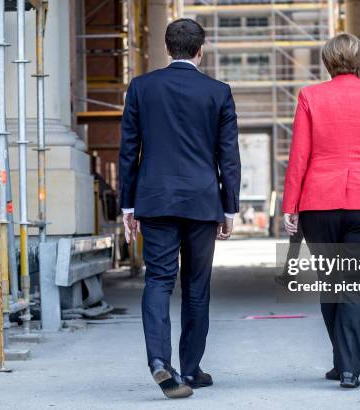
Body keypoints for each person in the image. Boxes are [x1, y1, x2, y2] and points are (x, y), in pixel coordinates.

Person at [119, 18, 240, 399]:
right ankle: (190, 368)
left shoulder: (141, 87)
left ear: (167, 48)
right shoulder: (219, 92)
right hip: (203, 201)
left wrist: (127, 203)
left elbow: (128, 149)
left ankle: (159, 361)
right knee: (196, 286)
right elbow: (229, 156)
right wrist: (230, 208)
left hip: (154, 200)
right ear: (201, 49)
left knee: (157, 279)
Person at [283, 33, 360, 388]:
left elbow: (300, 154)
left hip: (319, 202)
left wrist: (290, 204)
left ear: (327, 61)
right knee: (356, 283)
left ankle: (343, 361)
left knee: (330, 282)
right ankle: (348, 365)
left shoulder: (310, 96)